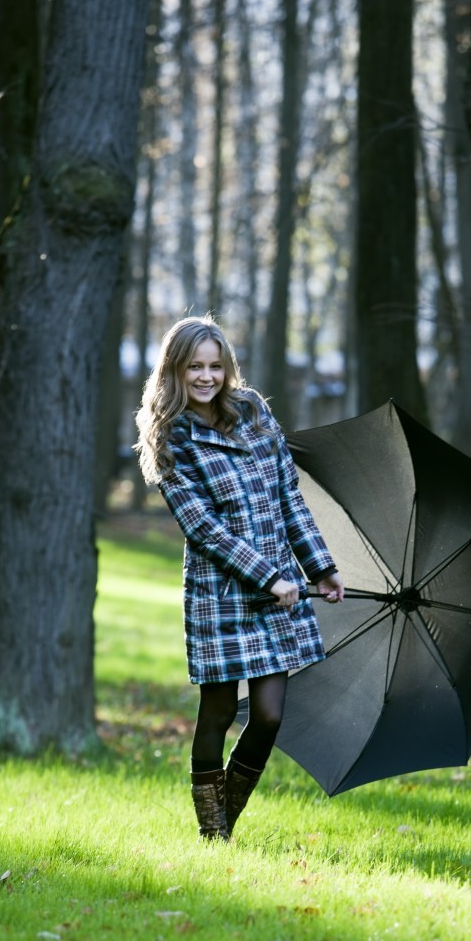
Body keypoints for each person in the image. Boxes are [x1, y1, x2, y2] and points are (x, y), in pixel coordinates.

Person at [135, 314, 344, 841]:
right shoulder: (169, 439)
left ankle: (222, 818)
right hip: (221, 593)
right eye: (194, 368)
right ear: (175, 372)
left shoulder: (254, 415)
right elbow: (202, 528)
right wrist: (271, 578)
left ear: (228, 368)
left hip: (278, 592)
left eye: (215, 366)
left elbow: (288, 497)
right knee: (219, 710)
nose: (206, 377)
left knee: (269, 715)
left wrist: (319, 565)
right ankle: (215, 835)